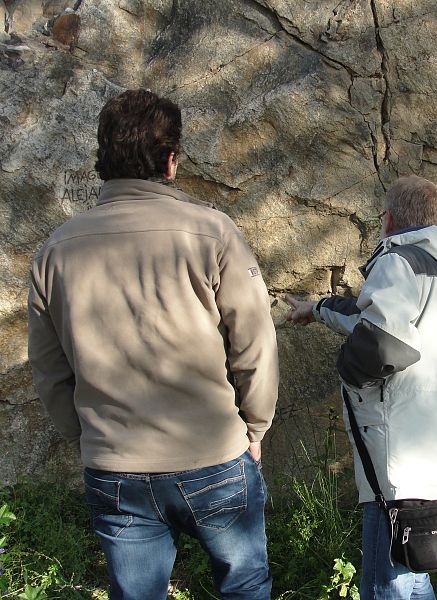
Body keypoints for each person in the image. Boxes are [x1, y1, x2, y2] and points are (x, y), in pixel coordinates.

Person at [27, 89, 279, 600]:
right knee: (245, 584)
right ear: (170, 161)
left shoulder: (54, 253)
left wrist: (90, 438)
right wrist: (255, 427)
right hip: (213, 451)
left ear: (103, 157)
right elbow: (254, 342)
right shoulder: (212, 233)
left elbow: (50, 373)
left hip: (116, 462)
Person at [286, 175, 437, 600]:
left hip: (399, 459)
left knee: (384, 584)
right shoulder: (434, 269)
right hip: (435, 453)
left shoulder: (396, 263)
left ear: (388, 219)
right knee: (413, 570)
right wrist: (315, 309)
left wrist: (349, 375)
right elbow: (368, 319)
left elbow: (386, 342)